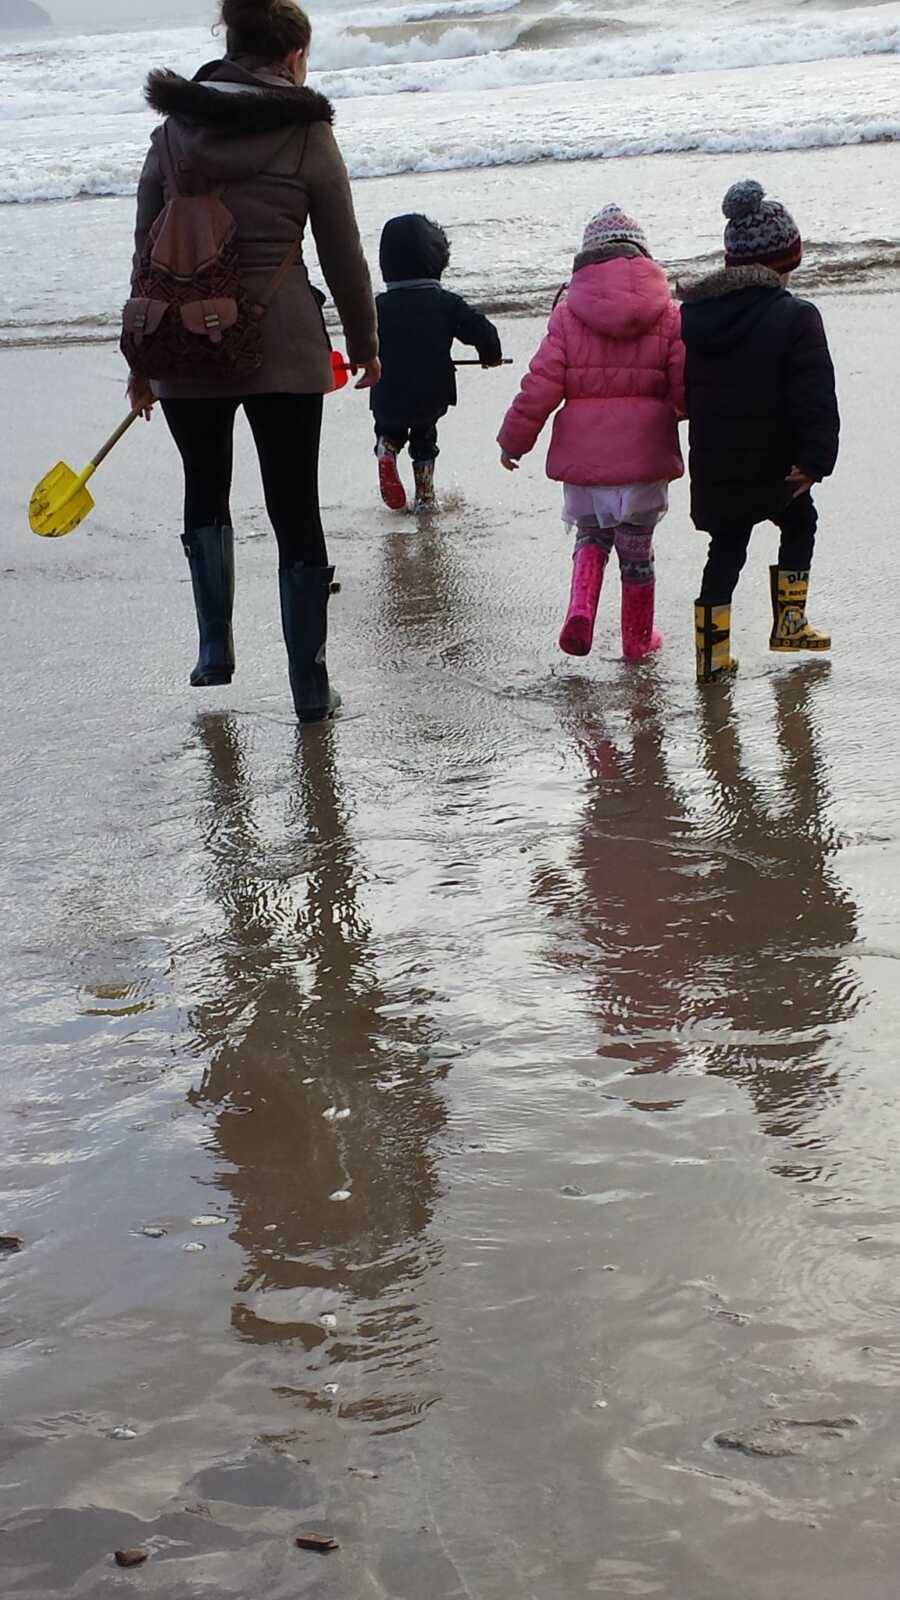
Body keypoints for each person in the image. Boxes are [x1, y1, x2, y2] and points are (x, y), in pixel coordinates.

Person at [126, 0, 380, 723]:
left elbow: (147, 249)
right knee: (294, 504)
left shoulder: (174, 129)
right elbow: (342, 251)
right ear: (292, 56)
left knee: (204, 483)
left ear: (227, 43)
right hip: (284, 344)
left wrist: (142, 359)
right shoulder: (305, 131)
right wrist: (365, 345)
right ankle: (309, 686)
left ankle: (215, 646)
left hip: (182, 339)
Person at [497, 205, 685, 662]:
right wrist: (680, 413)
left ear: (587, 258)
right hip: (643, 458)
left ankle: (581, 607)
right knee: (636, 549)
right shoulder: (668, 313)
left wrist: (513, 439)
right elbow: (684, 385)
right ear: (642, 254)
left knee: (591, 535)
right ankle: (637, 641)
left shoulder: (567, 314)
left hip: (584, 461)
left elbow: (540, 384)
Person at [681, 180, 840, 683]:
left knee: (725, 549)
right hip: (776, 460)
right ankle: (790, 621)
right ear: (787, 260)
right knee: (799, 522)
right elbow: (814, 394)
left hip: (717, 460)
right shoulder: (796, 316)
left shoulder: (696, 316)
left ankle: (712, 656)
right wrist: (816, 460)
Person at [370, 214, 502, 513]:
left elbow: (360, 337)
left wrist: (361, 358)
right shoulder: (445, 303)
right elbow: (481, 330)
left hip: (386, 388)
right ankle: (426, 497)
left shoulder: (376, 306)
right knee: (424, 437)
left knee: (389, 428)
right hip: (430, 390)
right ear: (438, 259)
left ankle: (386, 450)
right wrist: (490, 355)